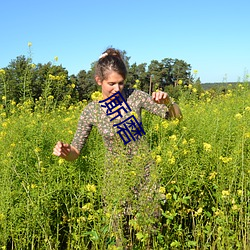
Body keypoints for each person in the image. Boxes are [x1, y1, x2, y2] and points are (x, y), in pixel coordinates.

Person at [53, 47, 182, 247]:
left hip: (145, 175)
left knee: (150, 235)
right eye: (111, 84)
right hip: (116, 180)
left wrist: (169, 102)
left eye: (121, 83)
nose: (117, 89)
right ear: (99, 81)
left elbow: (175, 118)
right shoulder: (92, 111)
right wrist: (65, 152)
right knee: (120, 238)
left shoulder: (135, 97)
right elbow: (75, 151)